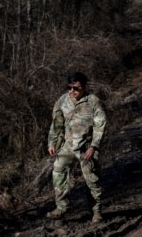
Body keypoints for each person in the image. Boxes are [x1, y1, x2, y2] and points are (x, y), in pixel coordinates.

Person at [46, 72, 107, 223]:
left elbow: (100, 125)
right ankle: (61, 207)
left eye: (76, 88)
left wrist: (93, 146)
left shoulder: (93, 101)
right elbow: (56, 123)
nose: (72, 91)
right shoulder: (63, 100)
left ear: (85, 87)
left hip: (86, 146)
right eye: (69, 87)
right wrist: (52, 143)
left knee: (91, 178)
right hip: (67, 145)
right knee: (58, 171)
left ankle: (96, 211)